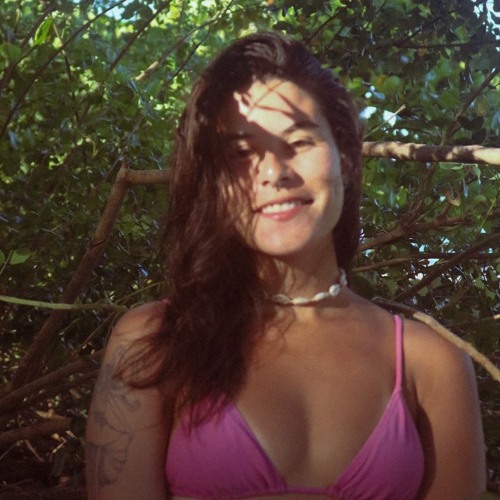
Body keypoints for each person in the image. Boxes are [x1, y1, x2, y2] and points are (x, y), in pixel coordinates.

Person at [85, 32, 486, 499]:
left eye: (298, 141)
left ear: (346, 158)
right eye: (241, 152)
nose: (274, 172)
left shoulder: (433, 362)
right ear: (213, 181)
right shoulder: (153, 342)